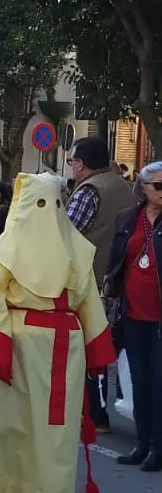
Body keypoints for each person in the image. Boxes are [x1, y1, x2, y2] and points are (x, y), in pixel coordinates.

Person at [0, 172, 115, 493]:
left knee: (55, 428)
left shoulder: (78, 250)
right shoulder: (6, 249)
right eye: (40, 203)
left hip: (63, 349)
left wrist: (97, 349)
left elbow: (88, 304)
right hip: (18, 344)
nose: (47, 211)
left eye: (55, 203)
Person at [66, 135, 134, 432]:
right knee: (112, 348)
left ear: (80, 165)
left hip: (91, 280)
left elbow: (65, 233)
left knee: (88, 348)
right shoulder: (127, 188)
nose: (71, 167)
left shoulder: (88, 191)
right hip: (123, 281)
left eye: (71, 161)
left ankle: (94, 412)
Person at [103, 159, 162, 471]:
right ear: (144, 188)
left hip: (159, 315)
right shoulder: (128, 218)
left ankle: (157, 445)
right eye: (158, 185)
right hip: (133, 312)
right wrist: (111, 285)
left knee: (158, 379)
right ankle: (142, 442)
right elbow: (116, 257)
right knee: (138, 380)